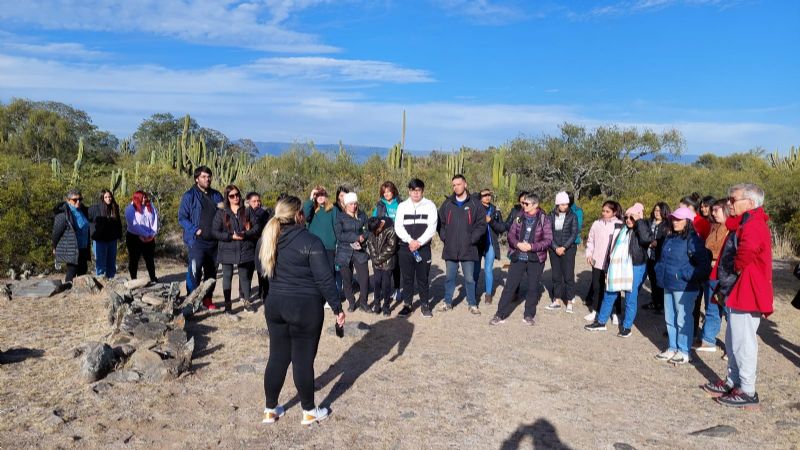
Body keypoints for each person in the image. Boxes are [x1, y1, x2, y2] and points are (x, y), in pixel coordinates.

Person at [255, 196, 345, 425]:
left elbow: (261, 274)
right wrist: (337, 307)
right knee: (303, 360)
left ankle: (270, 410)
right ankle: (309, 411)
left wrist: (269, 297)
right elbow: (325, 279)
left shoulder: (266, 239)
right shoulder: (311, 242)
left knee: (277, 357)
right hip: (305, 308)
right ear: (299, 215)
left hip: (275, 305)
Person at [702, 184, 773, 408]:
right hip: (735, 289)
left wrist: (734, 270)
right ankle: (733, 381)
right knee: (733, 340)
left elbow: (745, 253)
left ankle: (747, 390)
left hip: (747, 291)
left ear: (750, 203)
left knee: (744, 342)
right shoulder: (741, 223)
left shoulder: (754, 224)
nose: (729, 203)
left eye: (733, 199)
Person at [585, 203, 653, 337]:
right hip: (618, 266)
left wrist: (639, 221)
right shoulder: (621, 229)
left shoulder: (642, 228)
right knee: (609, 293)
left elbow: (646, 239)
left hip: (635, 266)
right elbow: (612, 248)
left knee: (630, 297)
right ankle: (601, 322)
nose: (628, 220)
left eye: (632, 218)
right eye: (626, 217)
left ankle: (627, 327)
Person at [653, 206, 711, 364]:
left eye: (679, 219)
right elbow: (662, 259)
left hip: (685, 287)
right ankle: (672, 348)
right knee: (670, 318)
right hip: (668, 283)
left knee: (682, 320)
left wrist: (683, 274)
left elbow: (703, 265)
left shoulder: (693, 239)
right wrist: (659, 270)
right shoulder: (670, 237)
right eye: (673, 219)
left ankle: (684, 351)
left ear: (688, 222)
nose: (675, 222)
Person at [490, 193, 553, 326]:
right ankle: (499, 314)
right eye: (523, 203)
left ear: (535, 205)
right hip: (518, 256)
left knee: (533, 287)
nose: (523, 205)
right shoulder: (519, 216)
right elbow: (511, 235)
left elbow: (548, 240)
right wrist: (518, 244)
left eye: (526, 204)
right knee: (509, 287)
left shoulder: (544, 219)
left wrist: (531, 246)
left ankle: (529, 315)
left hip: (536, 258)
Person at [437, 174, 486, 314]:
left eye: (459, 184)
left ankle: (472, 304)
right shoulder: (447, 204)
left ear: (465, 184)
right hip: (451, 248)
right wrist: (445, 237)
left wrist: (472, 239)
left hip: (469, 248)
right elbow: (440, 223)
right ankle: (447, 302)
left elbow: (481, 224)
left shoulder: (475, 204)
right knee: (449, 277)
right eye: (454, 185)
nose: (456, 187)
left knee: (469, 278)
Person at [178, 166, 223, 309]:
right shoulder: (189, 196)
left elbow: (224, 215)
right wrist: (195, 229)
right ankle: (191, 300)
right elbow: (182, 217)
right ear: (197, 179)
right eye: (203, 177)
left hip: (214, 241)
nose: (207, 179)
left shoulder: (216, 195)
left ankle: (207, 299)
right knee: (195, 270)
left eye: (209, 176)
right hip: (197, 241)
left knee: (211, 272)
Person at [212, 185, 260, 314]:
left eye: (237, 194)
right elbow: (215, 232)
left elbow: (257, 227)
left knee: (245, 277)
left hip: (245, 248)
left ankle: (247, 302)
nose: (235, 198)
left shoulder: (247, 210)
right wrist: (230, 236)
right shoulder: (221, 211)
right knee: (227, 276)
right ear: (227, 197)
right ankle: (228, 305)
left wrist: (245, 234)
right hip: (227, 249)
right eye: (232, 196)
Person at [394, 178, 438, 318]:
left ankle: (425, 305)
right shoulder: (402, 206)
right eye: (413, 190)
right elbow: (398, 226)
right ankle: (407, 305)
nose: (415, 193)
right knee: (407, 278)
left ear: (422, 191)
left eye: (418, 190)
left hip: (423, 248)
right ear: (409, 191)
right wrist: (410, 241)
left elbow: (432, 227)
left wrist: (419, 242)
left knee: (423, 278)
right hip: (405, 248)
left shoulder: (430, 205)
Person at [694, 199, 729, 352]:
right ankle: (708, 339)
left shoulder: (731, 229)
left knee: (728, 311)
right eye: (712, 210)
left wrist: (714, 258)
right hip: (711, 273)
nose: (712, 213)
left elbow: (723, 251)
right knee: (712, 307)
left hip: (724, 275)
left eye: (716, 210)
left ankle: (732, 348)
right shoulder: (714, 226)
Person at [584, 201, 624, 324]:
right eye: (603, 211)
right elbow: (591, 240)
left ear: (614, 212)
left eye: (607, 211)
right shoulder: (596, 224)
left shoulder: (620, 225)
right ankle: (595, 311)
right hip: (597, 261)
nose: (604, 213)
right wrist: (589, 254)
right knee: (597, 287)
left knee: (614, 288)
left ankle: (616, 313)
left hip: (613, 263)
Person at [334, 192, 370, 312]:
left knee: (364, 278)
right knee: (347, 279)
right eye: (350, 204)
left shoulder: (362, 215)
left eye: (355, 203)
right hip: (344, 251)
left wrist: (363, 237)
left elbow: (368, 230)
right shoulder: (340, 217)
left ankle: (364, 303)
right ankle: (351, 302)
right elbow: (339, 235)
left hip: (360, 251)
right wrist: (355, 237)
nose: (353, 206)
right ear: (345, 205)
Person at [545, 192, 579, 313]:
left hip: (568, 249)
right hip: (554, 249)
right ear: (557, 204)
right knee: (556, 275)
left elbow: (574, 233)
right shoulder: (550, 215)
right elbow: (548, 233)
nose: (565, 206)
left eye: (566, 204)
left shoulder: (572, 216)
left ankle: (569, 301)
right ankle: (557, 300)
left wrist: (564, 247)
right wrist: (555, 248)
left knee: (568, 275)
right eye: (562, 204)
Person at [473, 189, 505, 305]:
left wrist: (491, 221)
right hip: (478, 244)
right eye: (484, 195)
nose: (487, 197)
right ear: (480, 197)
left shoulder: (495, 211)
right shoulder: (475, 209)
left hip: (490, 243)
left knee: (488, 269)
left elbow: (501, 228)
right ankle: (473, 293)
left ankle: (488, 295)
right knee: (476, 270)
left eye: (489, 195)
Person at [372, 181, 403, 301]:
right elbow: (374, 219)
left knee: (396, 265)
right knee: (385, 265)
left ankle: (397, 289)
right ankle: (383, 290)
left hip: (398, 238)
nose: (386, 194)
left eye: (388, 191)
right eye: (384, 192)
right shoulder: (380, 205)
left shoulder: (400, 203)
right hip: (384, 240)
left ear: (393, 191)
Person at [52, 189, 91, 283]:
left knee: (83, 272)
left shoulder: (83, 211)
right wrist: (54, 246)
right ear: (68, 200)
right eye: (75, 200)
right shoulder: (63, 214)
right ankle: (68, 290)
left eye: (80, 199)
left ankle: (81, 291)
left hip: (83, 248)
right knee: (71, 273)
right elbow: (56, 233)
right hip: (71, 249)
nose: (78, 202)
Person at [366, 216, 398, 315]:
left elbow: (391, 248)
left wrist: (378, 259)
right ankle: (377, 305)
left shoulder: (390, 230)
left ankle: (386, 307)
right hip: (376, 263)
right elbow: (370, 243)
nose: (374, 233)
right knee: (377, 283)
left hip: (387, 263)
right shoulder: (373, 228)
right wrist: (374, 258)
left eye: (376, 231)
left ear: (380, 225)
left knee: (386, 285)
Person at [642, 202, 671, 312]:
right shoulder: (650, 222)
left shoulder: (667, 225)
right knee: (652, 280)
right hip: (649, 256)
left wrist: (657, 243)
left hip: (660, 257)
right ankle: (654, 301)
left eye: (659, 210)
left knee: (660, 281)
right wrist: (648, 243)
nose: (657, 213)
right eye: (655, 210)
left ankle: (661, 304)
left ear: (664, 211)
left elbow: (667, 240)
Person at [125, 191, 159, 282]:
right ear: (137, 198)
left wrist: (152, 234)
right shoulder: (130, 209)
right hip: (134, 238)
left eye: (146, 197)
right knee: (134, 259)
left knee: (149, 259)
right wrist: (145, 234)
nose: (145, 199)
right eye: (143, 197)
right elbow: (133, 225)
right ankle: (134, 279)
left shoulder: (150, 206)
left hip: (149, 238)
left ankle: (153, 278)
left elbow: (155, 219)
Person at [88, 189, 122, 279]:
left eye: (110, 197)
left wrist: (119, 234)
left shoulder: (115, 207)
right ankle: (101, 281)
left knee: (111, 263)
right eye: (106, 197)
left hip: (112, 240)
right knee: (100, 264)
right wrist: (93, 231)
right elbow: (87, 219)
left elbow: (118, 222)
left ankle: (111, 281)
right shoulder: (95, 208)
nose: (108, 199)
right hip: (100, 240)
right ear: (102, 198)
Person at [246, 191, 272, 301]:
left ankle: (263, 292)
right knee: (247, 272)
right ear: (248, 202)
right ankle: (245, 295)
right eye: (254, 201)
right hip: (248, 246)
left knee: (262, 270)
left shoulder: (264, 213)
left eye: (259, 201)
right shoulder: (244, 213)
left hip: (261, 244)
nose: (257, 203)